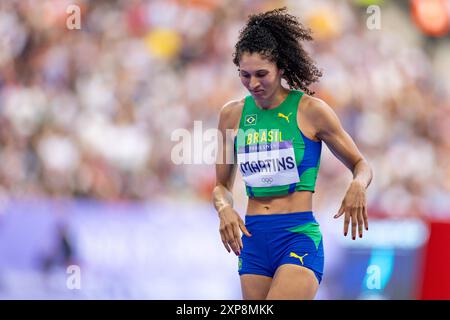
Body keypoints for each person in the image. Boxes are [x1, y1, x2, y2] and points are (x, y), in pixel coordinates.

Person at [212, 7, 373, 300]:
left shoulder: (311, 111)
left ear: (281, 68)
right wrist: (224, 209)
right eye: (245, 75)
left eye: (262, 74)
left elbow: (360, 164)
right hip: (253, 240)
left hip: (297, 235)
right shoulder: (231, 116)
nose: (253, 84)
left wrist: (358, 185)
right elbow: (221, 187)